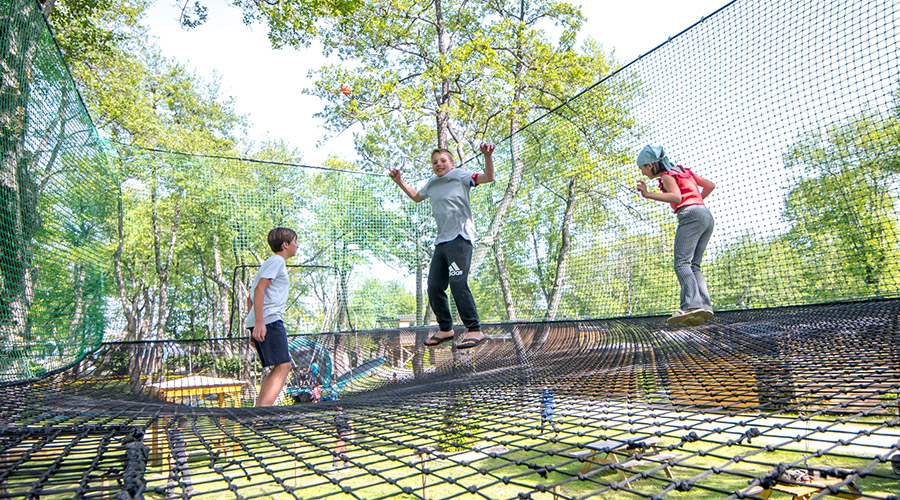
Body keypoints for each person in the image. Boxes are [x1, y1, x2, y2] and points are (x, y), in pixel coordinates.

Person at [389, 144, 496, 349]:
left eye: (443, 161)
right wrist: (399, 181)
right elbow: (416, 197)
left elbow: (488, 177)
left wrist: (488, 156)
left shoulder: (460, 176)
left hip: (460, 238)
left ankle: (474, 329)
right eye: (435, 162)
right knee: (434, 286)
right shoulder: (432, 183)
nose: (439, 164)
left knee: (457, 283)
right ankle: (446, 328)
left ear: (452, 163)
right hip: (442, 242)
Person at [635, 145, 715, 326]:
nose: (643, 173)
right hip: (706, 215)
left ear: (650, 165)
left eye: (642, 169)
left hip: (690, 215)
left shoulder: (667, 175)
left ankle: (691, 306)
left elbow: (676, 197)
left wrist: (647, 194)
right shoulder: (684, 171)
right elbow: (710, 186)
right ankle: (704, 306)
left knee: (681, 263)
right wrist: (697, 202)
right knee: (694, 265)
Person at [246, 227, 298, 406]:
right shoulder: (277, 261)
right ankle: (263, 413)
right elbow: (260, 289)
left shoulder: (269, 263)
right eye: (295, 242)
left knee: (279, 366)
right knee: (284, 365)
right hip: (270, 320)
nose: (297, 246)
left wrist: (253, 325)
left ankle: (259, 412)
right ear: (285, 245)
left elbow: (250, 297)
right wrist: (259, 323)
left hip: (262, 320)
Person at [166, 416, 194, 498]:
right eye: (186, 423)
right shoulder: (175, 433)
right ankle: (169, 494)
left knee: (186, 473)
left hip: (182, 456)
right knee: (172, 475)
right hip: (176, 457)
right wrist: (171, 458)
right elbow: (171, 446)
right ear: (183, 424)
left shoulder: (180, 432)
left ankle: (189, 490)